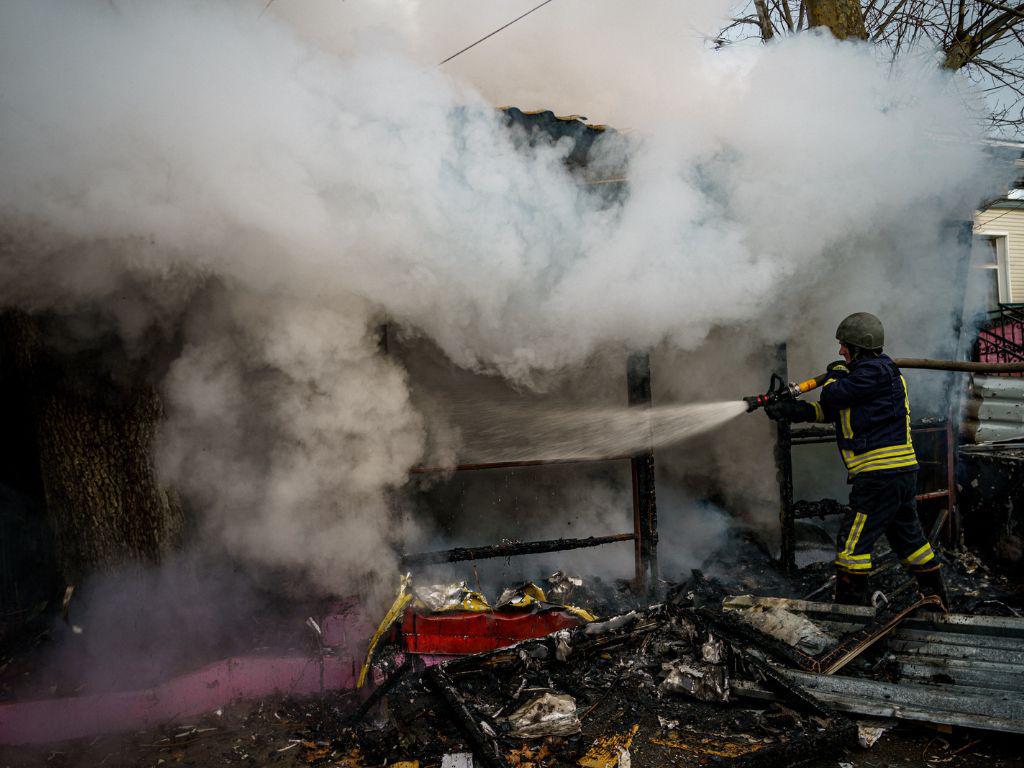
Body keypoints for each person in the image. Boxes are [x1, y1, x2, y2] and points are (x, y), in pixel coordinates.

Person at [765, 312, 950, 609]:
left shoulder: (873, 372)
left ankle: (852, 616)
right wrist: (792, 410)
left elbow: (833, 396)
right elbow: (834, 410)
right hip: (897, 476)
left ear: (860, 347)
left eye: (844, 346)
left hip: (880, 477)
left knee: (852, 547)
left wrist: (837, 372)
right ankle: (936, 597)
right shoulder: (872, 377)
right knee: (911, 542)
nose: (840, 352)